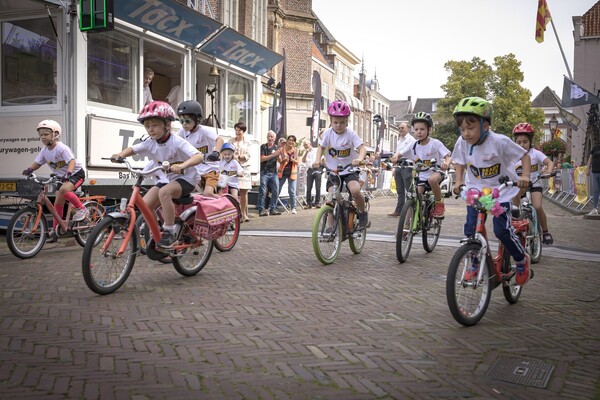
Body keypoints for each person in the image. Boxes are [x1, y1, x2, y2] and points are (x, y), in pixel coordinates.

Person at [451, 97, 532, 285]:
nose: (466, 134)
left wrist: (525, 176)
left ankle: (521, 259)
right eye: (462, 129)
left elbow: (524, 156)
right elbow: (459, 162)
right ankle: (474, 262)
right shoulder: (462, 142)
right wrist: (459, 180)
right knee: (470, 229)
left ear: (485, 125)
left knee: (501, 231)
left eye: (470, 128)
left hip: (500, 191)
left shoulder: (500, 142)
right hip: (476, 192)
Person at [111, 101, 203, 249]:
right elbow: (133, 149)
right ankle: (157, 234)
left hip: (186, 178)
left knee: (164, 192)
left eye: (154, 125)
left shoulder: (177, 142)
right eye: (147, 126)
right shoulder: (150, 142)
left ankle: (169, 232)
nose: (150, 130)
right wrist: (120, 155)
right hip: (167, 179)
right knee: (146, 206)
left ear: (167, 125)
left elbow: (199, 156)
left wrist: (182, 166)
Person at [22, 120, 88, 241]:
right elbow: (38, 162)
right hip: (62, 177)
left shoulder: (61, 148)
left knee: (63, 190)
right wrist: (30, 169)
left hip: (75, 174)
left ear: (55, 134)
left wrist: (68, 172)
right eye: (41, 134)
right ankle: (55, 231)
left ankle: (82, 209)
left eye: (46, 134)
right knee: (57, 204)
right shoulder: (44, 150)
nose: (42, 137)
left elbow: (72, 161)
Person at [312, 99, 369, 228]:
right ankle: (330, 228)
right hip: (333, 170)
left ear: (347, 122)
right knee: (330, 198)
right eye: (335, 122)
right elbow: (321, 147)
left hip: (349, 170)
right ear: (331, 121)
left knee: (355, 191)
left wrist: (359, 159)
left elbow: (362, 148)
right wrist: (317, 160)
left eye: (342, 122)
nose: (338, 125)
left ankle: (362, 211)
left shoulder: (350, 134)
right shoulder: (327, 133)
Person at [396, 112, 451, 218]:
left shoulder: (435, 143)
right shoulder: (413, 145)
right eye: (416, 129)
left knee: (432, 180)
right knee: (414, 199)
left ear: (429, 130)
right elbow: (401, 152)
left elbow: (448, 156)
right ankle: (405, 229)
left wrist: (446, 163)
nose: (419, 132)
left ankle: (439, 204)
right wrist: (395, 157)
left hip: (436, 172)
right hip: (421, 177)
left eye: (422, 129)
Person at [511, 123, 555, 244]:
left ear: (530, 141)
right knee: (514, 207)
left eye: (525, 142)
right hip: (520, 185)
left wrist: (549, 171)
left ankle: (545, 232)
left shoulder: (536, 153)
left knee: (537, 206)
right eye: (518, 142)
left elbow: (549, 162)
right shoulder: (512, 155)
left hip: (535, 183)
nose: (522, 145)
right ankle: (516, 225)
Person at [176, 100, 223, 197]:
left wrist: (216, 152)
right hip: (194, 171)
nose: (184, 124)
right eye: (181, 121)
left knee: (207, 193)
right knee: (187, 194)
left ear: (197, 120)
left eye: (187, 121)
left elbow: (220, 140)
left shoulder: (204, 131)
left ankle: (223, 205)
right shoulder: (181, 133)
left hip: (210, 169)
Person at [389, 122, 417, 216]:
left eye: (402, 128)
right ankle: (399, 210)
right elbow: (397, 152)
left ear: (408, 129)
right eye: (399, 127)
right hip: (399, 165)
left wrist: (396, 156)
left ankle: (410, 210)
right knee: (399, 190)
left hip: (407, 166)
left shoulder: (411, 139)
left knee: (408, 189)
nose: (400, 129)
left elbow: (405, 151)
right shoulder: (399, 140)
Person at [229, 122, 252, 222]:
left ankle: (244, 213)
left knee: (243, 191)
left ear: (243, 132)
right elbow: (227, 152)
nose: (237, 132)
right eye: (236, 130)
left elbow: (247, 155)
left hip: (244, 168)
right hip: (233, 168)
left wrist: (238, 157)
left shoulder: (248, 142)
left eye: (240, 130)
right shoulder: (231, 141)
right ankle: (235, 214)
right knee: (233, 191)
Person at [258, 130, 281, 216]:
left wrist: (281, 156)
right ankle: (261, 209)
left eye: (272, 137)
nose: (270, 138)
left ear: (275, 138)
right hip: (264, 171)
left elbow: (280, 160)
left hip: (274, 172)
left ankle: (273, 208)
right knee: (263, 191)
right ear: (267, 137)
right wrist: (273, 155)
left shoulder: (276, 147)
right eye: (269, 136)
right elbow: (262, 158)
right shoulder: (263, 147)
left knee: (276, 190)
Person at [278, 135, 300, 214]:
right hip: (283, 173)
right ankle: (273, 206)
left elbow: (297, 162)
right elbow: (279, 161)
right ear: (287, 141)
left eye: (293, 141)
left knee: (291, 190)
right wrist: (284, 160)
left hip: (292, 173)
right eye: (290, 140)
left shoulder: (297, 151)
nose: (291, 142)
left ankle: (293, 207)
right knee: (277, 189)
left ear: (294, 142)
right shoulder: (282, 149)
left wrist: (292, 160)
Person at [302, 139, 322, 208]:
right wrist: (306, 153)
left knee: (318, 187)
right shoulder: (305, 152)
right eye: (304, 145)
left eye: (306, 144)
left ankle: (317, 202)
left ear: (310, 144)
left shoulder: (316, 150)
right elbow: (303, 161)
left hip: (317, 169)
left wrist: (320, 166)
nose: (305, 146)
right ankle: (309, 203)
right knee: (308, 187)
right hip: (310, 170)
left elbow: (322, 158)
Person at [586, 141, 600, 215]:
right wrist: (588, 168)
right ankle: (595, 208)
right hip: (595, 172)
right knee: (595, 191)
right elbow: (590, 159)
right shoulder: (595, 148)